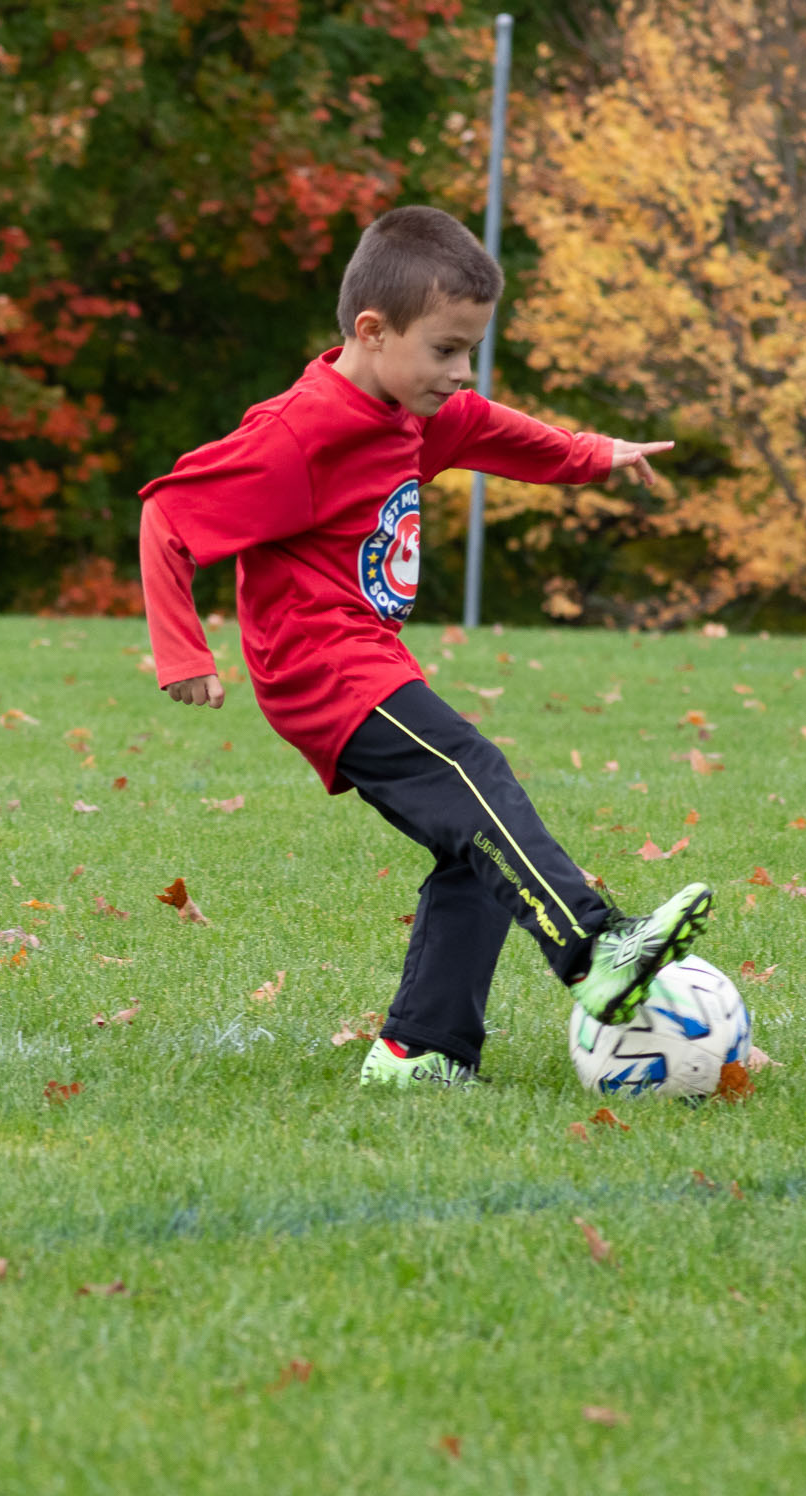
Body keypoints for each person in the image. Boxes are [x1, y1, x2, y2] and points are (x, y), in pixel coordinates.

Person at [139, 205, 712, 1087]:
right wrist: (183, 653)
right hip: (322, 671)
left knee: (471, 845)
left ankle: (423, 1051)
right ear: (372, 331)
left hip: (371, 661)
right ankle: (596, 948)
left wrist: (592, 454)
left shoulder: (414, 409)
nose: (462, 371)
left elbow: (490, 428)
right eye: (446, 349)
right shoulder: (299, 433)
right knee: (472, 771)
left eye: (470, 348)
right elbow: (169, 512)